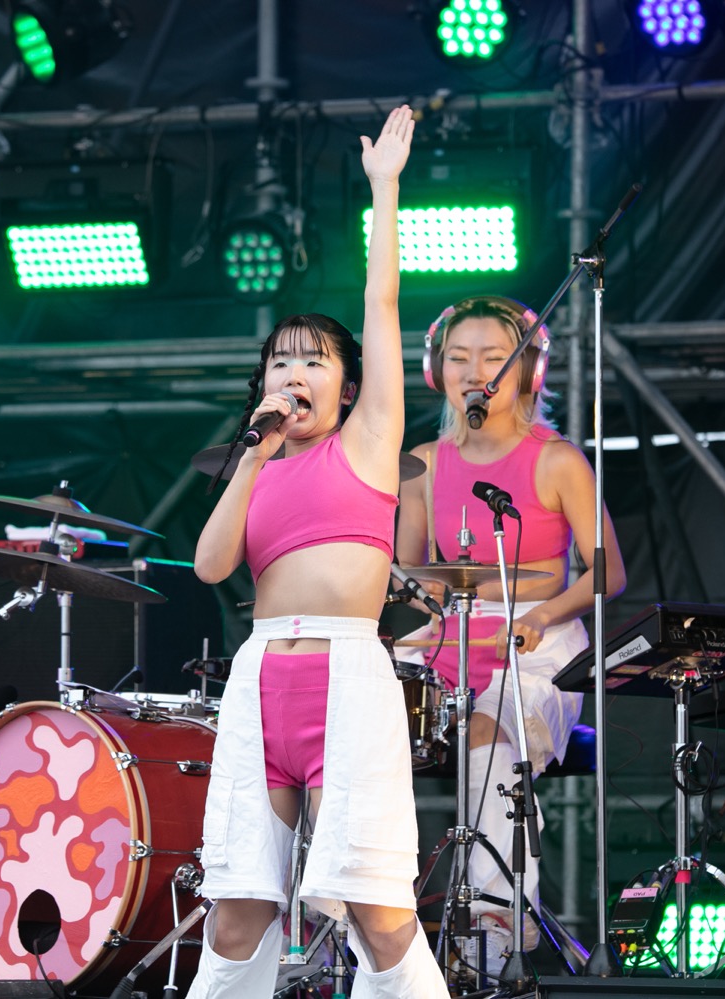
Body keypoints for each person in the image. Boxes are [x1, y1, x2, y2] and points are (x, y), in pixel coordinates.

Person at [187, 106, 446, 999]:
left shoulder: (369, 443)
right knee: (236, 908)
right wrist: (252, 454)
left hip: (346, 676)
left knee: (376, 909)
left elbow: (382, 304)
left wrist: (385, 188)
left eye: (312, 362)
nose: (293, 375)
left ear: (348, 384)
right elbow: (210, 565)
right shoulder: (256, 462)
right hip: (261, 680)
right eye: (279, 363)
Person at [394, 295, 626, 971]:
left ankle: (498, 924)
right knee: (344, 709)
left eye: (494, 358)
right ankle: (351, 912)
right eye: (459, 358)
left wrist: (540, 615)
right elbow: (410, 573)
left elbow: (608, 572)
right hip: (453, 637)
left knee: (488, 733)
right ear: (437, 371)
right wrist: (423, 611)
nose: (476, 373)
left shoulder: (557, 459)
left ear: (528, 370)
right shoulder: (422, 464)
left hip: (541, 642)